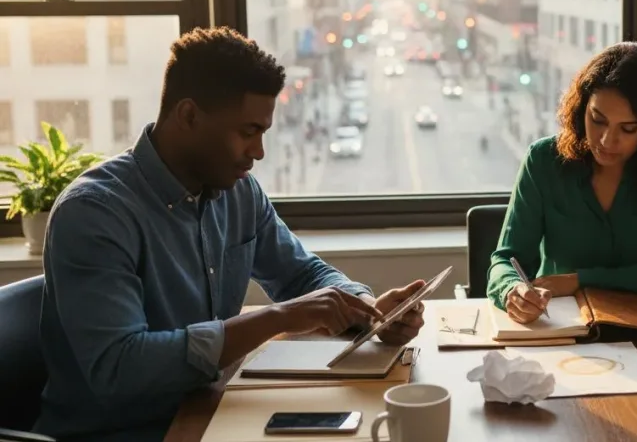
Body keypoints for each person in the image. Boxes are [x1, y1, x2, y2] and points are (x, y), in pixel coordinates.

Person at [34, 27, 426, 441]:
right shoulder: (95, 213)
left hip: (209, 409)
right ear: (189, 116)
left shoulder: (235, 191)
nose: (258, 152)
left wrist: (369, 312)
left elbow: (302, 275)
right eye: (247, 131)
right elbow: (119, 366)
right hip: (125, 431)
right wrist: (278, 317)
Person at [486, 42, 637, 323]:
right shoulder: (543, 160)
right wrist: (512, 290)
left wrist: (581, 280)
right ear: (581, 110)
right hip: (563, 328)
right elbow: (506, 260)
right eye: (597, 120)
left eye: (628, 129)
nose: (606, 141)